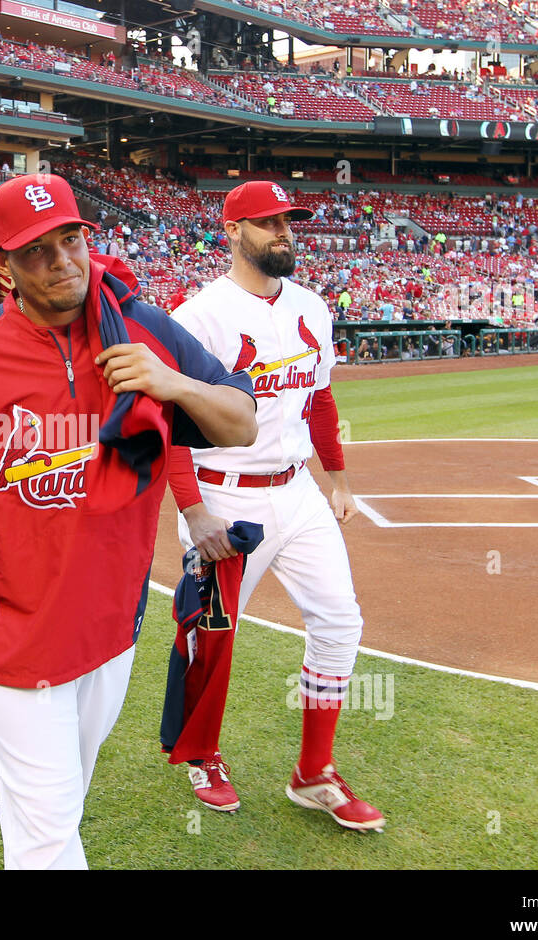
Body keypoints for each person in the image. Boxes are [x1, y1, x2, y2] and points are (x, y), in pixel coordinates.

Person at [0, 175, 257, 869]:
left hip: (108, 627)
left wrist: (172, 383)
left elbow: (240, 423)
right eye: (37, 251)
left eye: (71, 240)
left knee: (52, 811)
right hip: (10, 635)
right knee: (48, 835)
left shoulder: (146, 332)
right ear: (4, 267)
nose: (62, 260)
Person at [161, 180, 384, 831]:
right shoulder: (199, 316)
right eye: (267, 224)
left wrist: (338, 479)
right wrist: (195, 511)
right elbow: (174, 423)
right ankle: (202, 752)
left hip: (297, 490)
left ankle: (314, 774)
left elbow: (319, 401)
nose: (282, 234)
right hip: (225, 492)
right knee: (211, 635)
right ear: (232, 231)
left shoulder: (313, 306)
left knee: (340, 621)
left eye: (288, 222)